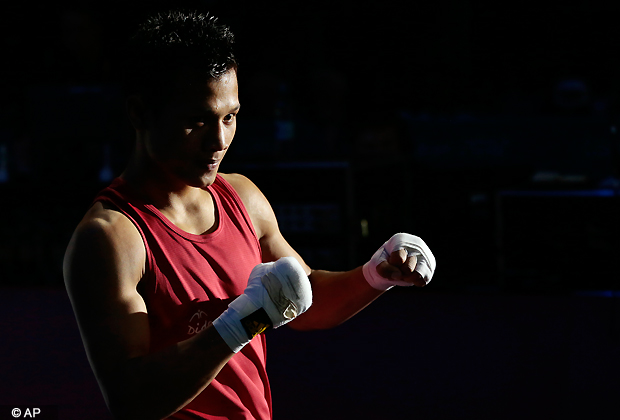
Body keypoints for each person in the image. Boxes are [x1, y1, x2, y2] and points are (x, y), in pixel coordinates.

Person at [63, 10, 436, 420]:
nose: (219, 140)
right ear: (140, 113)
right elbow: (131, 401)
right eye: (197, 121)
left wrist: (376, 273)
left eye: (230, 116)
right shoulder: (110, 237)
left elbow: (303, 296)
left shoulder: (241, 196)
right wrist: (242, 324)